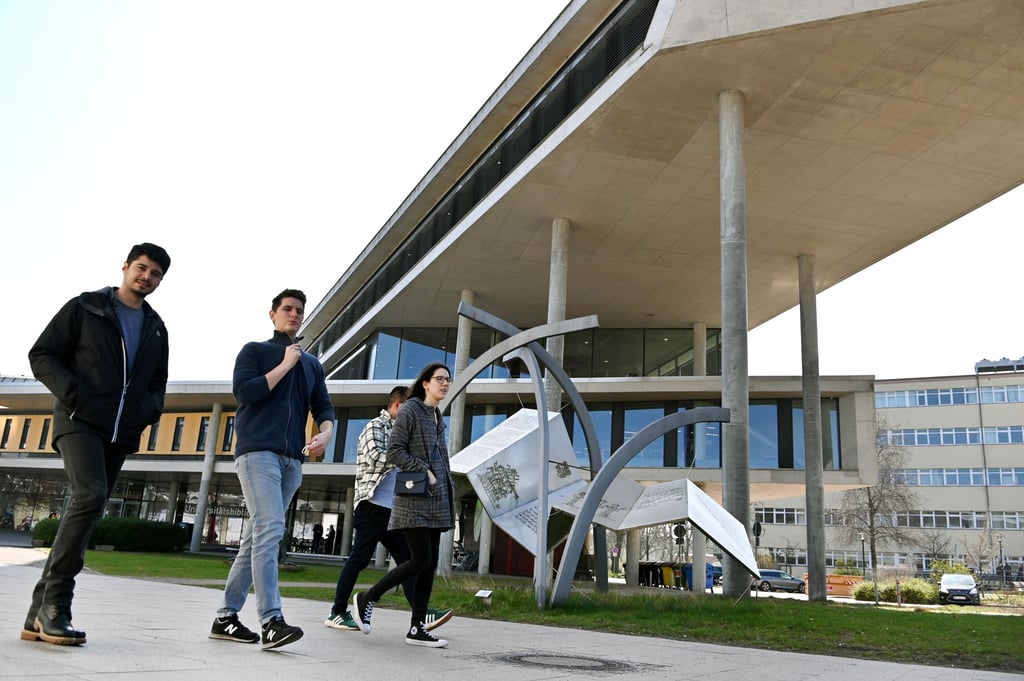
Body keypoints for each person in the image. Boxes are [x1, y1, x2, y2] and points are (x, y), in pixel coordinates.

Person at [22, 242, 171, 646]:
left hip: (121, 432)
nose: (146, 277)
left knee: (87, 510)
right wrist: (76, 395)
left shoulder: (157, 328)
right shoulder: (86, 307)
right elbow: (42, 354)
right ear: (125, 267)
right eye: (141, 268)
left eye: (155, 273)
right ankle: (57, 605)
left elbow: (157, 383)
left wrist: (147, 411)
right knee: (90, 496)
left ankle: (37, 613)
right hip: (77, 420)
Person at [209, 289, 334, 651]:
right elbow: (244, 393)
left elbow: (324, 406)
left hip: (292, 460)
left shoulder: (312, 364)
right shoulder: (256, 351)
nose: (293, 315)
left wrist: (326, 434)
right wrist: (284, 364)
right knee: (271, 529)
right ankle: (271, 620)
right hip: (257, 453)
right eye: (287, 309)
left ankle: (225, 617)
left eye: (299, 311)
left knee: (255, 538)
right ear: (273, 314)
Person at [325, 386, 452, 633]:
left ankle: (421, 611)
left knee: (410, 560)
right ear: (397, 407)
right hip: (372, 505)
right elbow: (376, 455)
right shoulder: (376, 426)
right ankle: (337, 611)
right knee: (359, 559)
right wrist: (404, 454)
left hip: (396, 510)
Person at [353, 363, 455, 648]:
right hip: (413, 498)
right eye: (439, 379)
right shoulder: (411, 409)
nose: (445, 384)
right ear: (425, 383)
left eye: (448, 379)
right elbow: (394, 451)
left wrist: (447, 486)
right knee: (420, 559)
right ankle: (368, 596)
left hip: (436, 499)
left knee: (429, 564)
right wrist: (423, 470)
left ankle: (416, 629)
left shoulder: (437, 415)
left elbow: (441, 459)